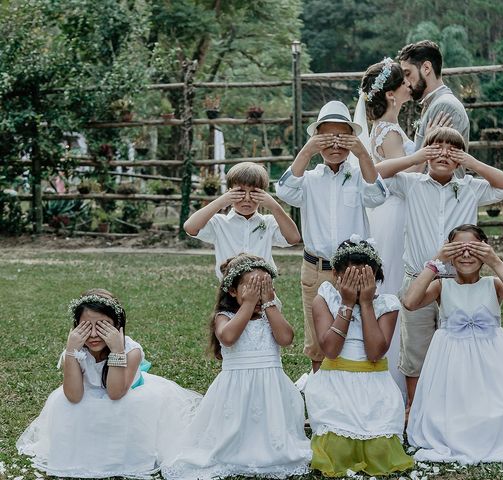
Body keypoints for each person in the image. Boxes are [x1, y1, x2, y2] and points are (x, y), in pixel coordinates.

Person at [377, 126, 503, 410]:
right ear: (426, 153)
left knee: (457, 348)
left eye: (451, 149)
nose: (443, 153)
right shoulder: (411, 183)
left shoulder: (470, 188)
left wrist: (472, 164)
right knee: (416, 349)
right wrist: (414, 157)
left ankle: (454, 406)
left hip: (457, 284)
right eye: (436, 147)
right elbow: (376, 173)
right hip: (419, 279)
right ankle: (413, 408)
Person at [16, 289, 201, 479]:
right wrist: (71, 351)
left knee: (123, 406)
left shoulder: (131, 351)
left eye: (103, 326)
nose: (94, 334)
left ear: (117, 325)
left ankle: (120, 456)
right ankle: (84, 454)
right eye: (86, 326)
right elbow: (73, 395)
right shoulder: (75, 352)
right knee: (64, 403)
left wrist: (116, 350)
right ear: (76, 326)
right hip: (87, 394)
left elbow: (115, 392)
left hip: (124, 393)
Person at [162, 254, 311, 479]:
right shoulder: (224, 316)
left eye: (264, 287)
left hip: (271, 389)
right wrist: (249, 304)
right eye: (251, 287)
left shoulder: (270, 313)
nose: (258, 294)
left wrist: (270, 302)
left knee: (271, 435)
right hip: (235, 391)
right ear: (232, 291)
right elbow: (228, 337)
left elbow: (286, 338)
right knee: (231, 435)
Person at [355, 57, 451, 399]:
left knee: (393, 283)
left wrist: (423, 143)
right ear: (392, 95)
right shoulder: (389, 132)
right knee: (395, 285)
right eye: (404, 83)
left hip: (389, 212)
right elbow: (401, 173)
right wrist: (425, 151)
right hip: (395, 215)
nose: (410, 86)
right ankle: (395, 378)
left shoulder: (387, 129)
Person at [404, 224, 503, 464]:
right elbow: (410, 302)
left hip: (489, 367)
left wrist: (496, 262)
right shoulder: (442, 285)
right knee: (451, 418)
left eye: (473, 249)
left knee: (492, 417)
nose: (466, 255)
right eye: (458, 249)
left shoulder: (493, 285)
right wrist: (435, 261)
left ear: (484, 253)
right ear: (450, 254)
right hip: (452, 366)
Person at [276, 100, 388, 372]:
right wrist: (307, 150)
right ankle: (319, 399)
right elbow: (285, 192)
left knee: (357, 335)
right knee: (317, 342)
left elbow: (378, 196)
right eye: (327, 137)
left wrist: (363, 155)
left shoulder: (360, 175)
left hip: (356, 271)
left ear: (352, 139)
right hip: (317, 268)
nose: (335, 145)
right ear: (317, 139)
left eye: (342, 137)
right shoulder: (310, 179)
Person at [304, 236, 413, 477]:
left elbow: (375, 353)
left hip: (373, 383)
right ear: (336, 274)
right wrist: (346, 302)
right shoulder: (325, 299)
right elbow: (330, 350)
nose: (357, 284)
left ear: (375, 276)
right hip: (334, 383)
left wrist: (365, 304)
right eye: (350, 278)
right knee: (338, 450)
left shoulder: (387, 304)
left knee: (380, 450)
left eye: (364, 278)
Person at [184, 161, 300, 280]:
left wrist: (274, 206)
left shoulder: (268, 222)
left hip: (264, 289)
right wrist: (220, 202)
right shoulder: (219, 223)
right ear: (229, 192)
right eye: (240, 192)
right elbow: (190, 227)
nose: (247, 198)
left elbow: (294, 238)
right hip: (229, 291)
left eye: (254, 192)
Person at [397, 40, 470, 161]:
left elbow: (442, 165)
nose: (405, 81)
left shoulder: (444, 106)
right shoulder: (434, 103)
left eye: (408, 73)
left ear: (426, 68)